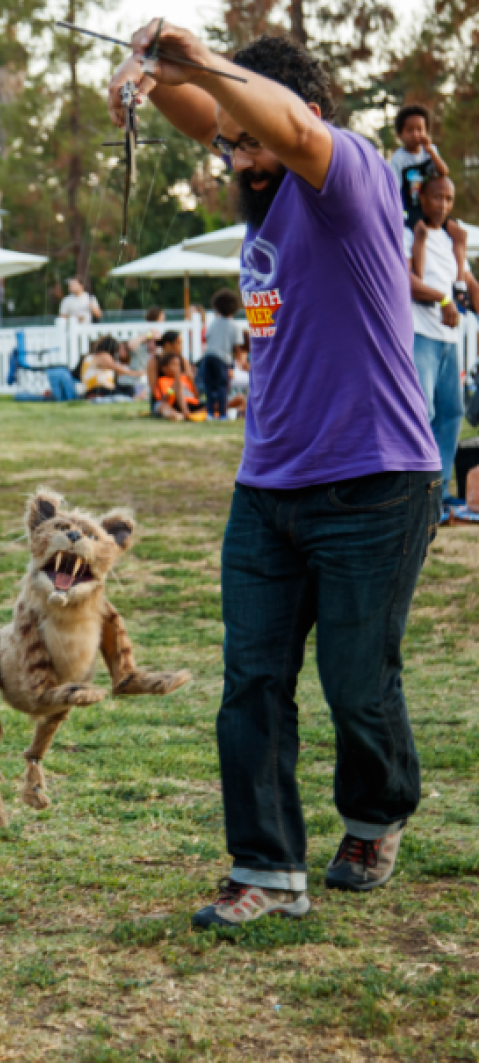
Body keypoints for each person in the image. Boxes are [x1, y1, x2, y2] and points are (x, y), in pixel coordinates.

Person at [108, 27, 440, 926]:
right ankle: (266, 867)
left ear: (305, 116)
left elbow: (279, 129)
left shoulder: (352, 173)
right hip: (268, 486)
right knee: (250, 679)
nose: (239, 160)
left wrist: (201, 49)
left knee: (353, 680)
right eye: (230, 144)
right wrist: (151, 69)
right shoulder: (257, 172)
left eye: (249, 139)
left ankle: (377, 811)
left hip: (376, 479)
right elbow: (208, 111)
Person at [405, 175, 467, 507]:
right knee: (423, 411)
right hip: (420, 334)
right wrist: (443, 300)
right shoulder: (409, 233)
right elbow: (405, 279)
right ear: (422, 198)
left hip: (450, 339)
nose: (443, 205)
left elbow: (463, 281)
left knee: (452, 413)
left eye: (449, 198)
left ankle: (439, 494)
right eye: (437, 197)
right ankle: (416, 492)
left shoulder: (451, 239)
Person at [389, 103, 468, 306]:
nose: (416, 134)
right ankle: (420, 278)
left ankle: (460, 281)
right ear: (400, 135)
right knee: (421, 232)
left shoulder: (429, 151)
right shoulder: (398, 159)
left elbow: (443, 172)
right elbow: (394, 189)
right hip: (413, 207)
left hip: (432, 208)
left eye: (420, 129)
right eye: (410, 130)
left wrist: (430, 151)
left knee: (460, 234)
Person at [202, 288, 245, 418]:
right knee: (222, 387)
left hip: (208, 357)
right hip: (222, 359)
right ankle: (222, 414)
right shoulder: (234, 326)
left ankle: (210, 413)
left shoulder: (213, 323)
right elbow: (237, 347)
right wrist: (238, 362)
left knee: (209, 387)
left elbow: (206, 338)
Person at [81, 335, 141, 400]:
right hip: (97, 389)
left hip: (99, 389)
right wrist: (136, 373)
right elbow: (116, 367)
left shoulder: (94, 356)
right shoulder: (103, 356)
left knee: (128, 388)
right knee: (126, 392)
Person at [154, 348, 207, 421]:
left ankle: (188, 414)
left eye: (178, 365)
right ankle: (184, 413)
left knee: (214, 404)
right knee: (164, 407)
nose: (177, 368)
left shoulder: (184, 378)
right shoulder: (162, 380)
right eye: (174, 364)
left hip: (192, 404)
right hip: (175, 405)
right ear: (164, 368)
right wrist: (175, 384)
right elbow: (164, 399)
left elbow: (197, 397)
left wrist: (191, 381)